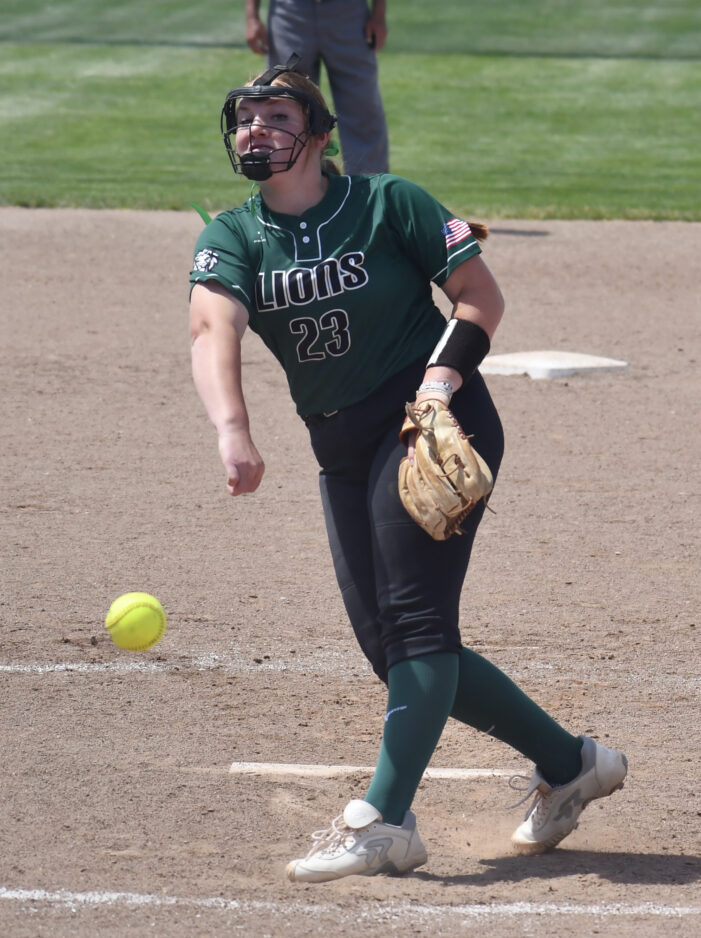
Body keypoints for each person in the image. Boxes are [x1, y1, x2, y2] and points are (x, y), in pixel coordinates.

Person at [188, 60, 628, 883]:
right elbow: (212, 330)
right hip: (339, 448)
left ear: (319, 135)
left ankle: (384, 821)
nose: (257, 130)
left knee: (417, 625)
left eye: (278, 116)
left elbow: (479, 296)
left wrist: (440, 381)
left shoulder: (388, 202)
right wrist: (232, 430)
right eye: (247, 117)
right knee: (388, 647)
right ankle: (570, 764)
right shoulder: (233, 236)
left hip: (428, 422)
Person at [244, 0, 389, 174]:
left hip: (349, 12)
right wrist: (252, 17)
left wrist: (378, 14)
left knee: (362, 109)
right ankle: (287, 185)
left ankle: (369, 188)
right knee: (283, 106)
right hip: (290, 12)